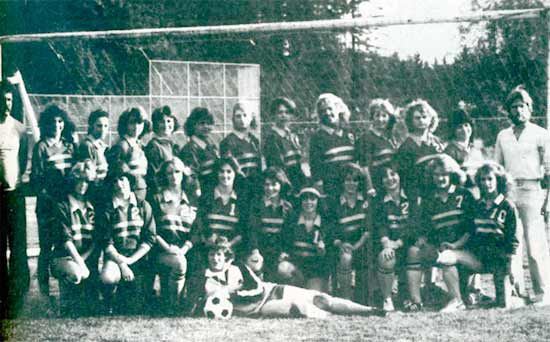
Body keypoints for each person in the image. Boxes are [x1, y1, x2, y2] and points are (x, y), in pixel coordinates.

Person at [196, 238, 384, 318]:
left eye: (219, 254)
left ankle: (370, 311)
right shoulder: (205, 279)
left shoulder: (238, 268)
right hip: (260, 309)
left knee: (321, 299)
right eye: (212, 254)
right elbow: (198, 302)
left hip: (271, 291)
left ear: (226, 255)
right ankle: (324, 315)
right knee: (300, 309)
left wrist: (228, 292)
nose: (215, 258)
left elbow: (256, 290)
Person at [436, 162, 525, 309]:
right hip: (479, 256)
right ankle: (461, 298)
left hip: (500, 259)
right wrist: (455, 246)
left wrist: (511, 265)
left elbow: (513, 239)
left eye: (490, 179)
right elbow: (470, 232)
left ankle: (515, 297)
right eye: (483, 180)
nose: (486, 183)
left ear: (498, 180)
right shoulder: (477, 205)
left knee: (503, 305)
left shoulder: (507, 206)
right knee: (449, 257)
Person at [495, 85, 550, 305]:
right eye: (514, 107)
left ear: (529, 108)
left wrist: (548, 201)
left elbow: (549, 169)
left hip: (533, 191)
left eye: (522, 106)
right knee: (512, 243)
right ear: (509, 110)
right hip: (510, 192)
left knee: (535, 244)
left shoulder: (541, 134)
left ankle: (543, 292)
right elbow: (497, 168)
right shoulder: (503, 135)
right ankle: (516, 293)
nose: (518, 111)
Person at [406, 154, 475, 313]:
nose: (440, 178)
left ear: (452, 174)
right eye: (436, 175)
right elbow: (427, 228)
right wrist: (423, 239)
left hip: (465, 249)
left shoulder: (464, 194)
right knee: (414, 251)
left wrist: (455, 245)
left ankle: (457, 300)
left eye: (444, 174)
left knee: (447, 256)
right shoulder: (429, 199)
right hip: (442, 248)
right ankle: (416, 301)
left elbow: (471, 229)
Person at [31, 104, 77, 297]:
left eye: (60, 121)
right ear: (45, 124)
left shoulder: (69, 146)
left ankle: (69, 291)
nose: (57, 125)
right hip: (48, 205)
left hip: (67, 205)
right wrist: (51, 201)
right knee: (46, 247)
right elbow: (37, 181)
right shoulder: (41, 147)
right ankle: (44, 293)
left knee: (66, 244)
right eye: (52, 121)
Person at [99, 171, 156, 315]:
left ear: (130, 182)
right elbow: (106, 242)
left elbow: (149, 238)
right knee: (108, 277)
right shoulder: (107, 208)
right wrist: (123, 264)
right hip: (115, 259)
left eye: (122, 179)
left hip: (138, 258)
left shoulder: (143, 206)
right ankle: (109, 299)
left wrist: (131, 260)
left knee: (134, 307)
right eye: (115, 181)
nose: (119, 184)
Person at [50, 160, 99, 316]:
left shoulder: (93, 205)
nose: (83, 184)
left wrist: (84, 260)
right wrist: (80, 263)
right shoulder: (63, 205)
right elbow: (66, 240)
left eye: (87, 181)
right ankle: (64, 302)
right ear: (73, 180)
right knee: (77, 274)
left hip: (85, 257)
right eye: (79, 180)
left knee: (92, 303)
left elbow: (96, 239)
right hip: (64, 257)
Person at [149, 158, 198, 313]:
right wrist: (168, 248)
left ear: (183, 174)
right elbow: (151, 230)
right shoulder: (157, 198)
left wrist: (184, 249)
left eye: (177, 172)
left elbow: (197, 230)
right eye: (169, 172)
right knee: (179, 262)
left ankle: (190, 301)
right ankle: (173, 304)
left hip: (186, 249)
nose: (173, 176)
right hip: (162, 250)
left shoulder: (192, 200)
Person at [0, 78, 30, 318]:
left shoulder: (19, 128)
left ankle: (17, 300)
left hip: (14, 196)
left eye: (9, 99)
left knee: (18, 249)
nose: (5, 103)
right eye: (1, 99)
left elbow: (24, 160)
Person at [329, 163, 372, 304]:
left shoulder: (365, 202)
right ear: (342, 182)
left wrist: (356, 246)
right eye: (347, 180)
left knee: (364, 299)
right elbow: (332, 230)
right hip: (343, 247)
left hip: (363, 245)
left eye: (355, 180)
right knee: (346, 257)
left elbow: (367, 230)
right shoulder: (335, 203)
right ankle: (346, 298)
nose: (351, 183)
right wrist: (341, 244)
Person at [374, 165, 413, 312]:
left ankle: (410, 296)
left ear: (400, 175)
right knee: (386, 257)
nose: (390, 179)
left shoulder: (411, 196)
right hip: (389, 244)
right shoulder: (379, 200)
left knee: (413, 253)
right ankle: (387, 298)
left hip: (408, 243)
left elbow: (414, 224)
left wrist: (400, 242)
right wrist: (386, 242)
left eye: (393, 174)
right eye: (385, 176)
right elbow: (379, 224)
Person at [280, 180, 330, 292]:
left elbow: (330, 255)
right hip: (296, 268)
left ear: (318, 201)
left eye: (312, 199)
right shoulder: (292, 221)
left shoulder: (325, 223)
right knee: (283, 269)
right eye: (305, 199)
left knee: (312, 299)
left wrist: (323, 251)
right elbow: (284, 243)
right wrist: (284, 253)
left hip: (316, 271)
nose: (308, 202)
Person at [248, 167, 294, 282]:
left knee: (284, 270)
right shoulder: (257, 205)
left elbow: (289, 234)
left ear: (281, 185)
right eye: (266, 184)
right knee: (255, 265)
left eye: (274, 184)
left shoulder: (287, 207)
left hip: (278, 252)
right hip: (260, 250)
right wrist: (255, 251)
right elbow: (252, 230)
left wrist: (284, 252)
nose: (270, 188)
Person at [394, 99, 445, 201]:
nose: (421, 121)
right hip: (417, 193)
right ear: (410, 120)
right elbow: (405, 175)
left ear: (431, 119)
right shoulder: (406, 146)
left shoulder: (437, 142)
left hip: (438, 189)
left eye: (424, 117)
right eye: (417, 118)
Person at [309, 94, 356, 200]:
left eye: (330, 108)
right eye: (322, 111)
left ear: (338, 108)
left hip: (351, 184)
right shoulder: (318, 137)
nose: (327, 113)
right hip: (332, 186)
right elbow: (315, 167)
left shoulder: (349, 132)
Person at [262, 97, 306, 191]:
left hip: (297, 182)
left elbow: (298, 163)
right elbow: (276, 168)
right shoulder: (272, 138)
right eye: (280, 112)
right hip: (283, 184)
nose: (284, 116)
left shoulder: (292, 136)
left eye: (287, 112)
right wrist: (288, 186)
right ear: (274, 115)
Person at [355, 99, 398, 193]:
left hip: (391, 183)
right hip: (376, 184)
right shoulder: (366, 138)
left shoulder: (391, 138)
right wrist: (370, 187)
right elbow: (364, 165)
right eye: (377, 115)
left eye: (384, 115)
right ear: (372, 118)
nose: (380, 119)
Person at [220, 101, 262, 192]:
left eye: (245, 115)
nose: (242, 119)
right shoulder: (227, 142)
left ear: (251, 118)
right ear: (233, 119)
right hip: (239, 187)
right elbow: (232, 168)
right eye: (238, 116)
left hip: (257, 186)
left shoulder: (255, 140)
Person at [178, 107, 219, 198]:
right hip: (202, 194)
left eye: (208, 123)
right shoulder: (189, 149)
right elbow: (191, 177)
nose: (206, 127)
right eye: (201, 123)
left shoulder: (211, 146)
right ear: (193, 126)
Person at [106, 107, 149, 180]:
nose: (136, 127)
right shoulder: (122, 145)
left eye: (139, 122)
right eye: (132, 123)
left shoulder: (139, 144)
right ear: (125, 124)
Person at [144, 106, 180, 193]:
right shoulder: (154, 146)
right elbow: (153, 175)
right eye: (161, 122)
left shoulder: (172, 145)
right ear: (155, 124)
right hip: (162, 192)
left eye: (168, 121)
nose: (166, 125)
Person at [77, 109, 110, 205]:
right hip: (94, 193)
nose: (103, 129)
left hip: (102, 190)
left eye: (106, 126)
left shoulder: (101, 145)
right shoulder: (87, 145)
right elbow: (89, 175)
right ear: (92, 126)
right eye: (99, 126)